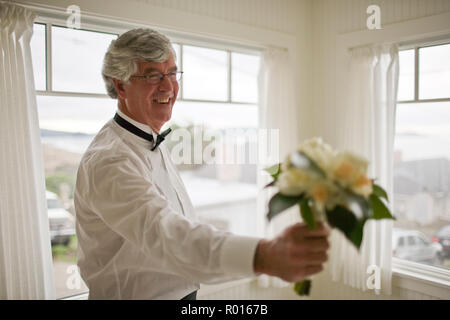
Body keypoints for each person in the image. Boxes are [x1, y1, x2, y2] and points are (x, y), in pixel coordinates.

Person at [74, 28, 330, 300]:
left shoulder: (150, 139)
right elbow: (165, 233)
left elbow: (179, 222)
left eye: (172, 73)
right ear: (121, 86)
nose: (168, 86)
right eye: (152, 75)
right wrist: (264, 256)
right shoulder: (111, 160)